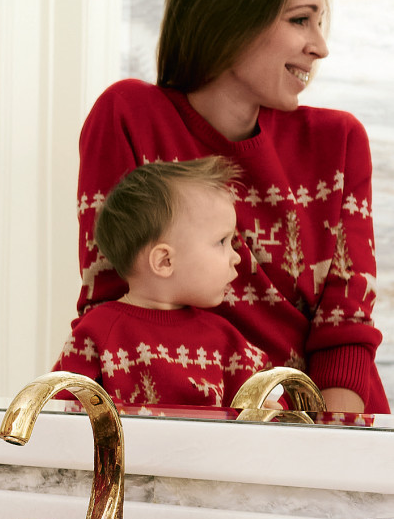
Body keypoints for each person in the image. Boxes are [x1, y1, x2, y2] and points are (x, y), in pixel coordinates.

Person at [71, 0, 386, 414]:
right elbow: (114, 303)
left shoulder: (338, 141)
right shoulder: (129, 115)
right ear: (230, 20)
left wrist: (323, 438)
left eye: (320, 23)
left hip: (318, 417)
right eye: (300, 20)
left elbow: (346, 329)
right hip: (182, 417)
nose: (320, 47)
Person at [55, 157, 267, 408]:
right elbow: (59, 408)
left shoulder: (226, 341)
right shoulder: (96, 333)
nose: (237, 257)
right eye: (222, 241)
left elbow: (269, 395)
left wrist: (268, 407)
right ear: (165, 261)